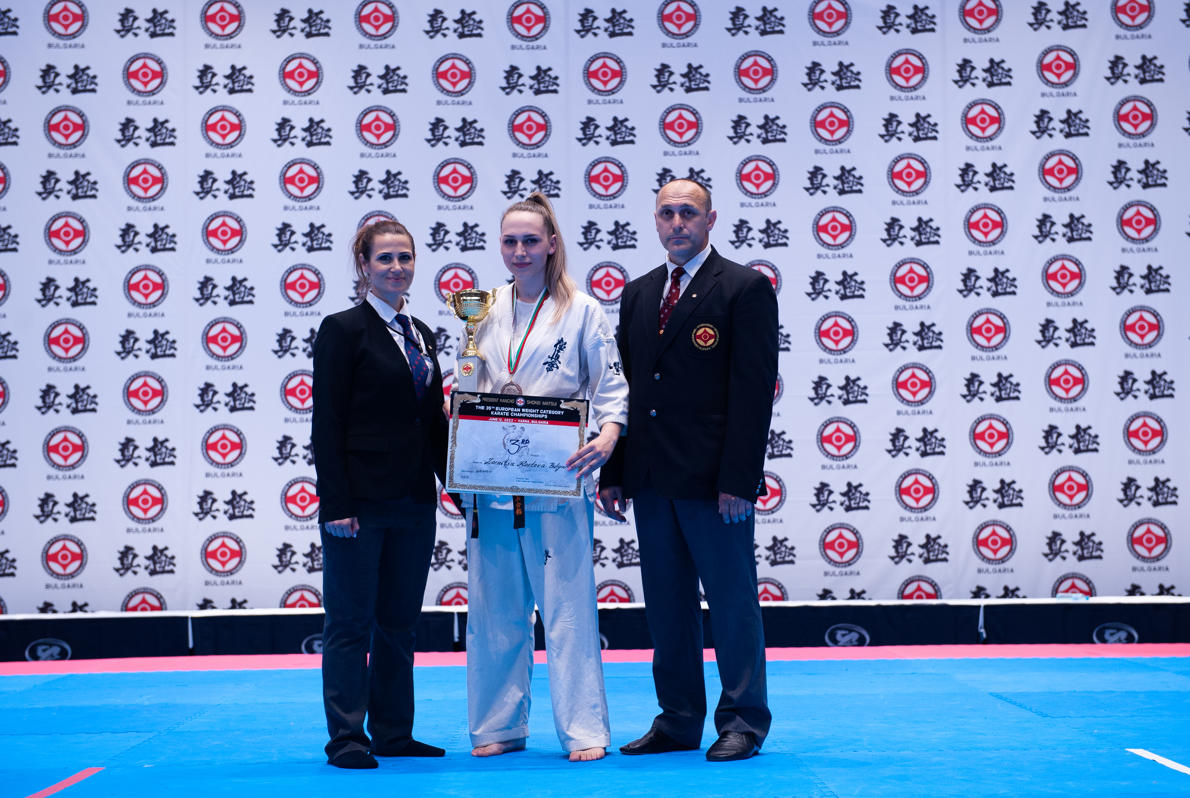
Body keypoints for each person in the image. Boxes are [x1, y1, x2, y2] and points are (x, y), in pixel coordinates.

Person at [599, 179, 778, 762]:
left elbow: (753, 392)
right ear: (655, 220)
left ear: (710, 220)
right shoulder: (639, 292)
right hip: (652, 477)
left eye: (688, 213)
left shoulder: (744, 288)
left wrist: (739, 480)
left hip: (713, 481)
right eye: (667, 213)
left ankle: (743, 720)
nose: (677, 223)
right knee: (667, 605)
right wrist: (615, 470)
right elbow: (624, 389)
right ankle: (678, 718)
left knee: (731, 602)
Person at [463, 192, 628, 762]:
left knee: (567, 610)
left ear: (552, 244)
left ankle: (584, 730)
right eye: (510, 241)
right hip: (491, 480)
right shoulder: (482, 309)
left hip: (557, 478)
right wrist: (456, 450)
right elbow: (468, 389)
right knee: (493, 609)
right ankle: (499, 724)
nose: (520, 251)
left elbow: (611, 387)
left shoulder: (583, 311)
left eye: (531, 241)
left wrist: (608, 435)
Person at [311, 219, 448, 769]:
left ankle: (393, 731)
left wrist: (456, 485)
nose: (396, 267)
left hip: (414, 501)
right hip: (360, 505)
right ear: (364, 265)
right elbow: (327, 423)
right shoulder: (343, 330)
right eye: (385, 258)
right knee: (349, 623)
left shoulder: (424, 334)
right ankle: (347, 736)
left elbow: (432, 425)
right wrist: (336, 503)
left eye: (405, 257)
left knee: (398, 622)